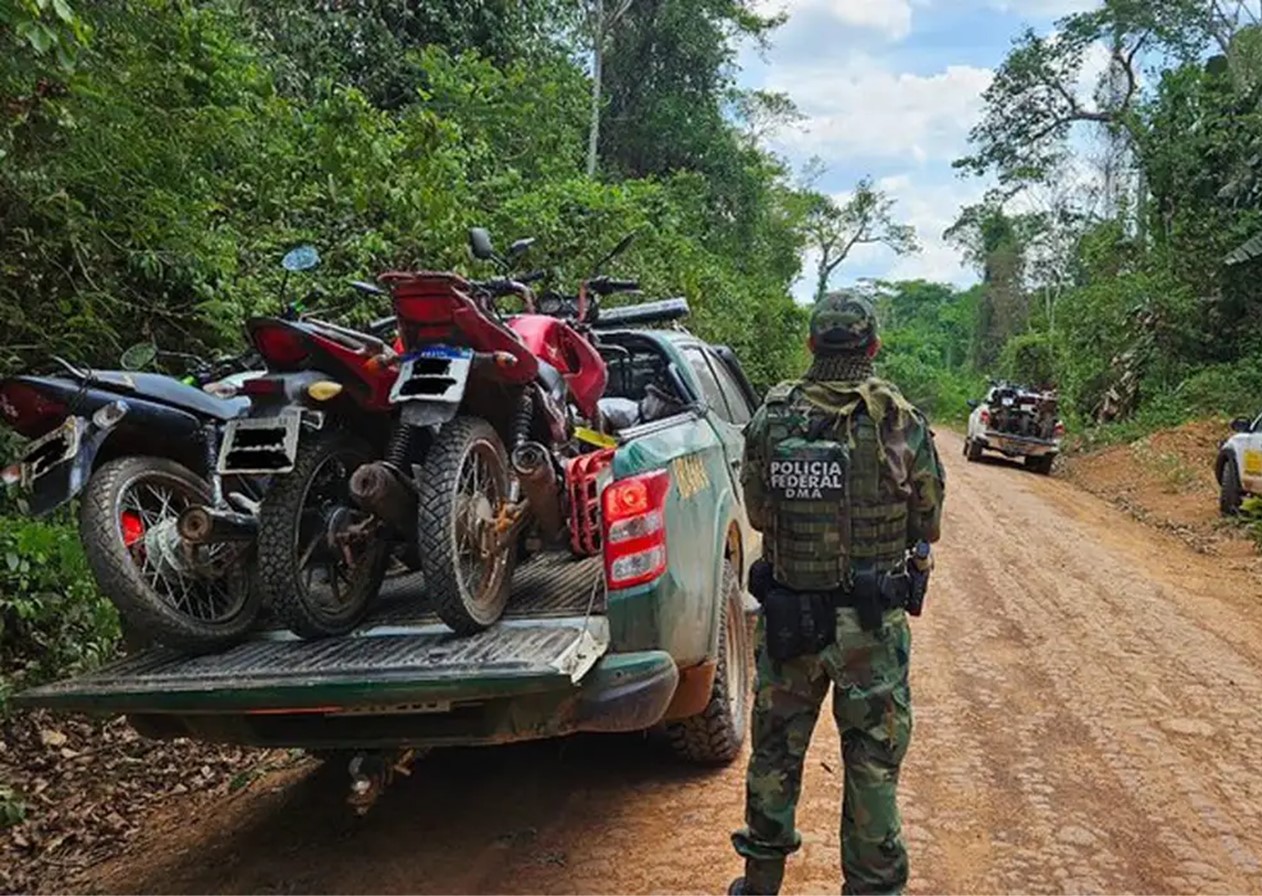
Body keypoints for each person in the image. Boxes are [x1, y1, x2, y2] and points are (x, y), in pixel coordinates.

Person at [729, 290, 945, 896]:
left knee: (775, 754)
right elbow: (926, 524)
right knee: (873, 764)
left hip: (791, 620)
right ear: (872, 347)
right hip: (872, 628)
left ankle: (761, 881)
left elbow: (759, 512)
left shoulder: (772, 417)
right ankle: (874, 888)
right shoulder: (900, 421)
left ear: (811, 346)